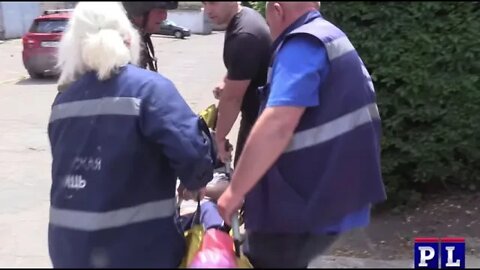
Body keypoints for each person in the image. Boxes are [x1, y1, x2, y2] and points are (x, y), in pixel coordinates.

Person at [217, 2, 387, 268]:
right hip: (332, 190)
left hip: (304, 198)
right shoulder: (328, 35)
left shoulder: (301, 45)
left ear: (277, 10)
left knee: (266, 257)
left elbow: (278, 124)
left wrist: (235, 191)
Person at [48, 2, 215, 268]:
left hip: (68, 252)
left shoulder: (63, 102)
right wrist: (198, 171)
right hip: (137, 252)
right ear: (127, 37)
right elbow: (195, 158)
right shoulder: (150, 90)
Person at [202, 2, 272, 165]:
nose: (207, 10)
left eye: (213, 2)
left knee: (244, 180)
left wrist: (219, 138)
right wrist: (227, 81)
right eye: (204, 3)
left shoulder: (244, 35)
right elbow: (243, 65)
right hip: (258, 115)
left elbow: (232, 99)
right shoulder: (246, 17)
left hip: (260, 123)